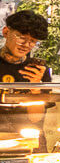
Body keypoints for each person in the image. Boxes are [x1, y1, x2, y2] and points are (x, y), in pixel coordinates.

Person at [0, 10, 52, 142]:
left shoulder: (38, 71)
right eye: (21, 37)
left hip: (26, 139)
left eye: (33, 41)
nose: (26, 45)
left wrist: (35, 88)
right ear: (6, 32)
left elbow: (36, 118)